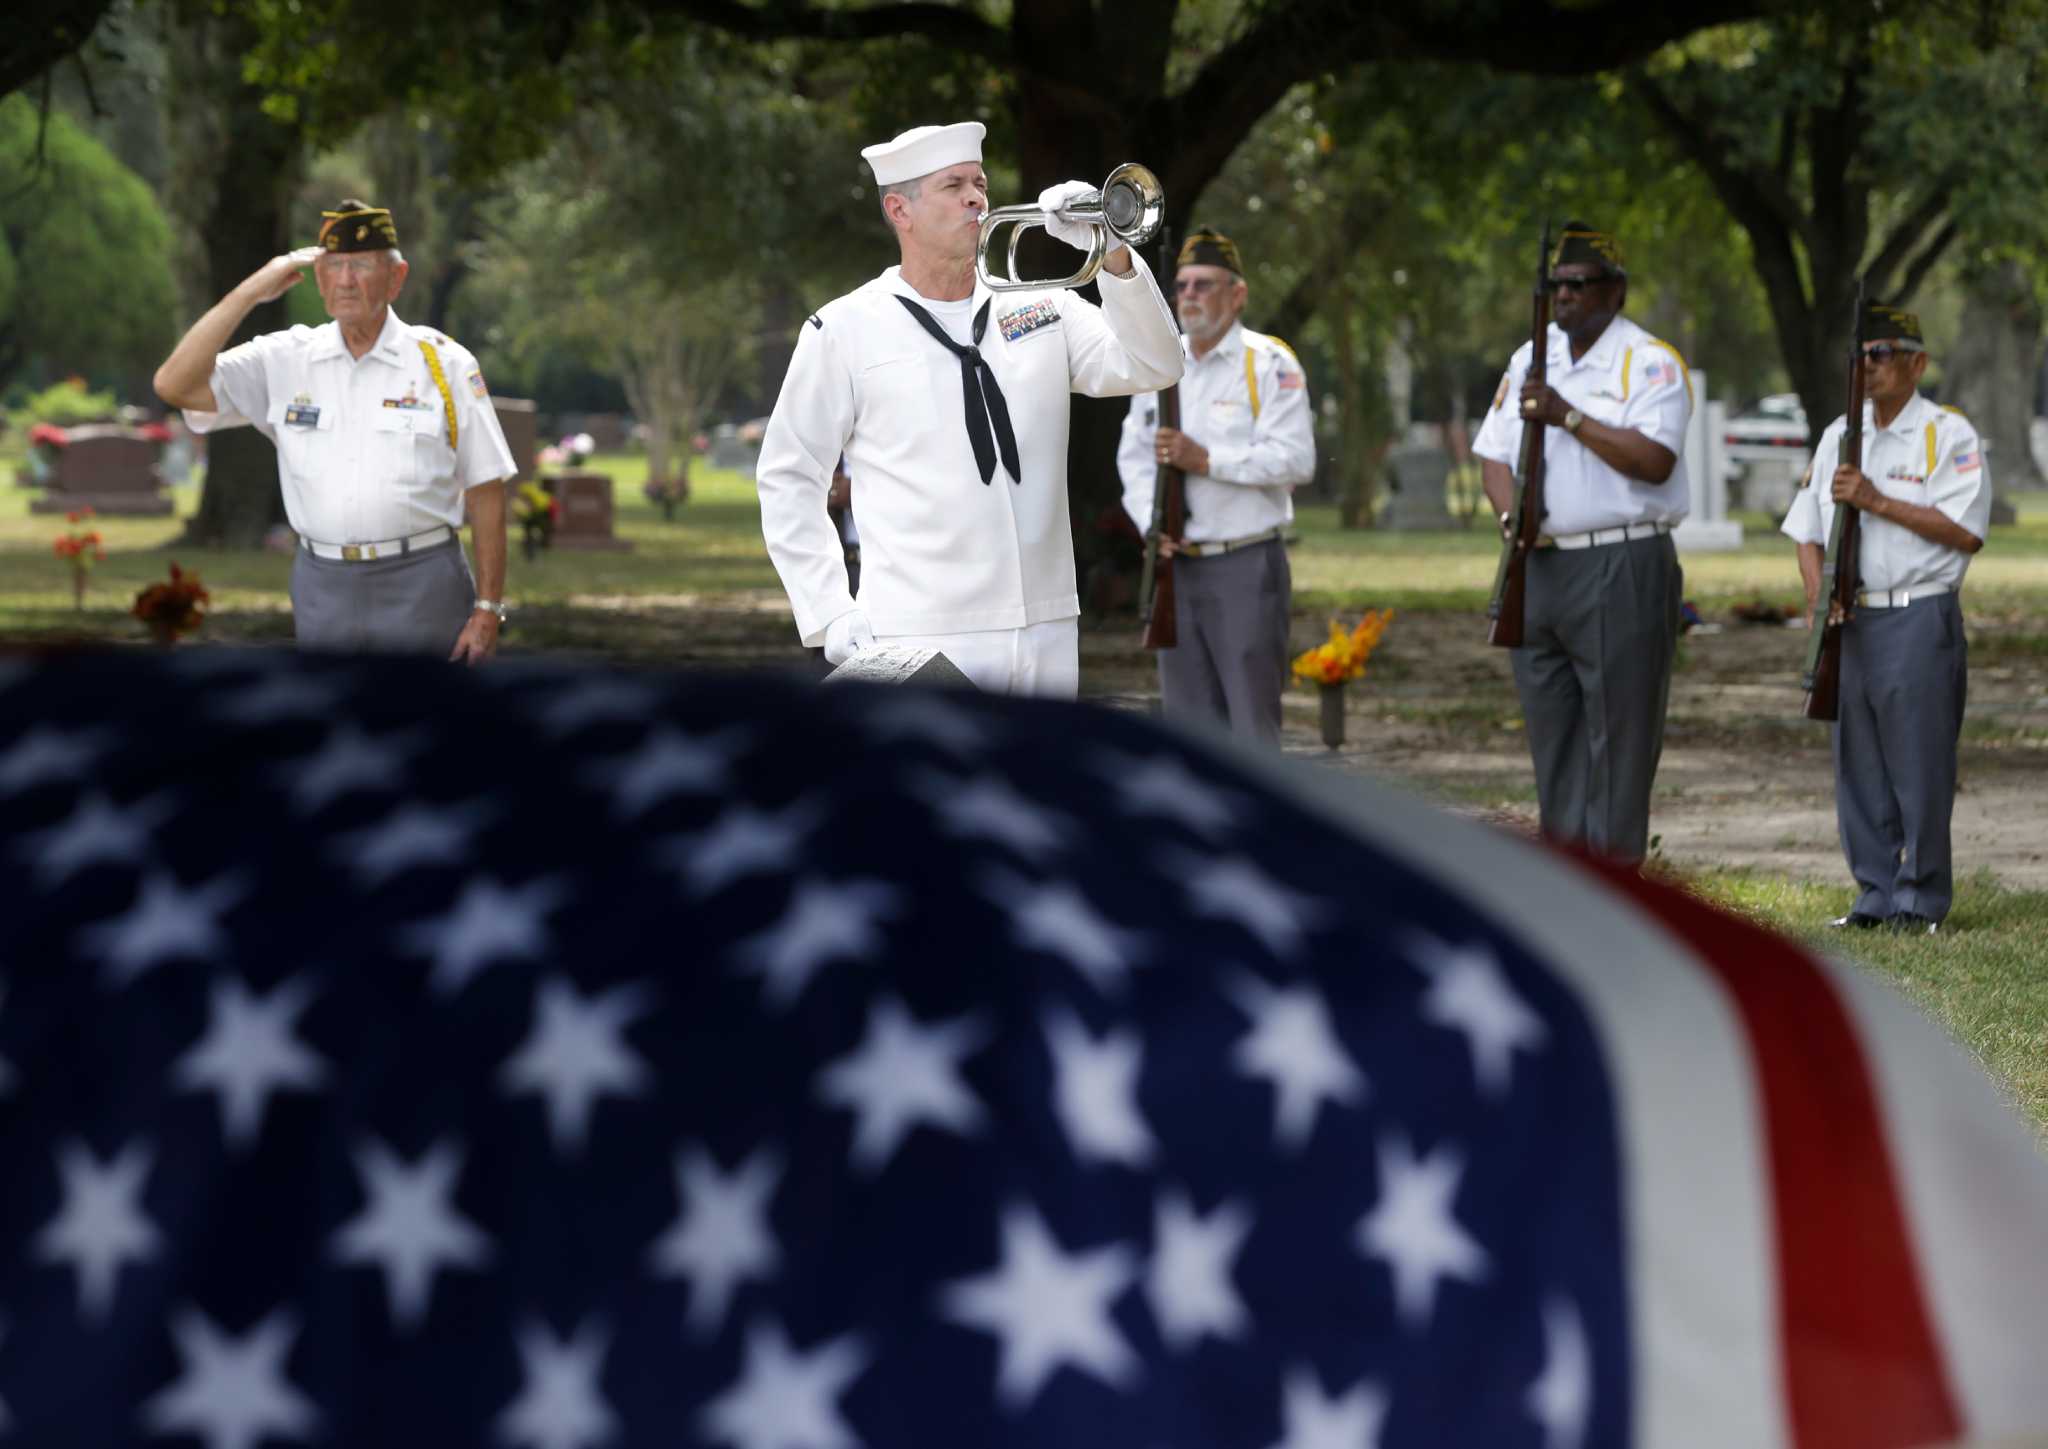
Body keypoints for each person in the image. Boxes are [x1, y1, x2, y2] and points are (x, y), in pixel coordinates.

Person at [755, 122, 1183, 697]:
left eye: (979, 182)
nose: (976, 197)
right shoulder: (844, 329)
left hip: (1047, 622)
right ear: (899, 210)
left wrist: (1112, 256)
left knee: (1041, 786)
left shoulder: (1043, 305)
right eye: (953, 185)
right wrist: (830, 612)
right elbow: (788, 476)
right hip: (914, 628)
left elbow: (1157, 364)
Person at [153, 200, 515, 661]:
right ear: (319, 278)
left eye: (361, 265)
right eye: (334, 266)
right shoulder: (285, 358)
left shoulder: (443, 363)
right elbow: (173, 384)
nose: (346, 280)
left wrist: (487, 610)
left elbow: (486, 490)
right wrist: (250, 292)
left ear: (396, 277)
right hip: (322, 586)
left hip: (423, 582)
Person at [1472, 221, 1692, 865]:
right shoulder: (1527, 357)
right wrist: (1511, 521)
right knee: (1553, 734)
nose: (1565, 295)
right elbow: (1492, 456)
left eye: (1580, 284)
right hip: (1538, 563)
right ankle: (1566, 877)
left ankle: (1616, 878)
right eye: (1556, 285)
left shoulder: (1650, 362)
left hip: (1619, 559)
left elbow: (1654, 461)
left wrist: (1567, 413)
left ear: (1615, 293)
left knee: (1619, 738)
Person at [1782, 302, 1990, 934]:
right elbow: (1806, 531)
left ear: (1917, 362)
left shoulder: (1946, 434)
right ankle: (1874, 892)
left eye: (1881, 354)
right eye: (1860, 355)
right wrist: (1821, 595)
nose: (1868, 367)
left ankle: (1920, 898)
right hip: (1852, 619)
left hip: (1916, 613)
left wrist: (1876, 499)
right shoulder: (1838, 436)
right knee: (1859, 762)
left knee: (1919, 763)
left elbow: (1964, 531)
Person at [1115, 228, 1315, 744]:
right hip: (1175, 566)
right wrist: (1151, 524)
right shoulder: (1160, 364)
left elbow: (1296, 460)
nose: (1189, 296)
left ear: (1238, 294)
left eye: (1204, 284)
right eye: (1181, 286)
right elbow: (1134, 458)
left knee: (1251, 724)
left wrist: (1207, 460)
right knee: (1188, 727)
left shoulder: (1269, 364)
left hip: (1244, 564)